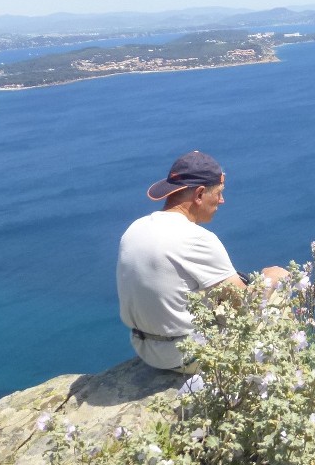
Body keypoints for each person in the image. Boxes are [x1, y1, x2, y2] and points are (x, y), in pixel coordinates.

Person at [117, 150, 288, 373]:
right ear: (199, 194)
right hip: (183, 356)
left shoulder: (135, 228)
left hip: (145, 348)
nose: (222, 200)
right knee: (282, 290)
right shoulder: (196, 239)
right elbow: (247, 306)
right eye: (218, 193)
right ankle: (275, 378)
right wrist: (271, 279)